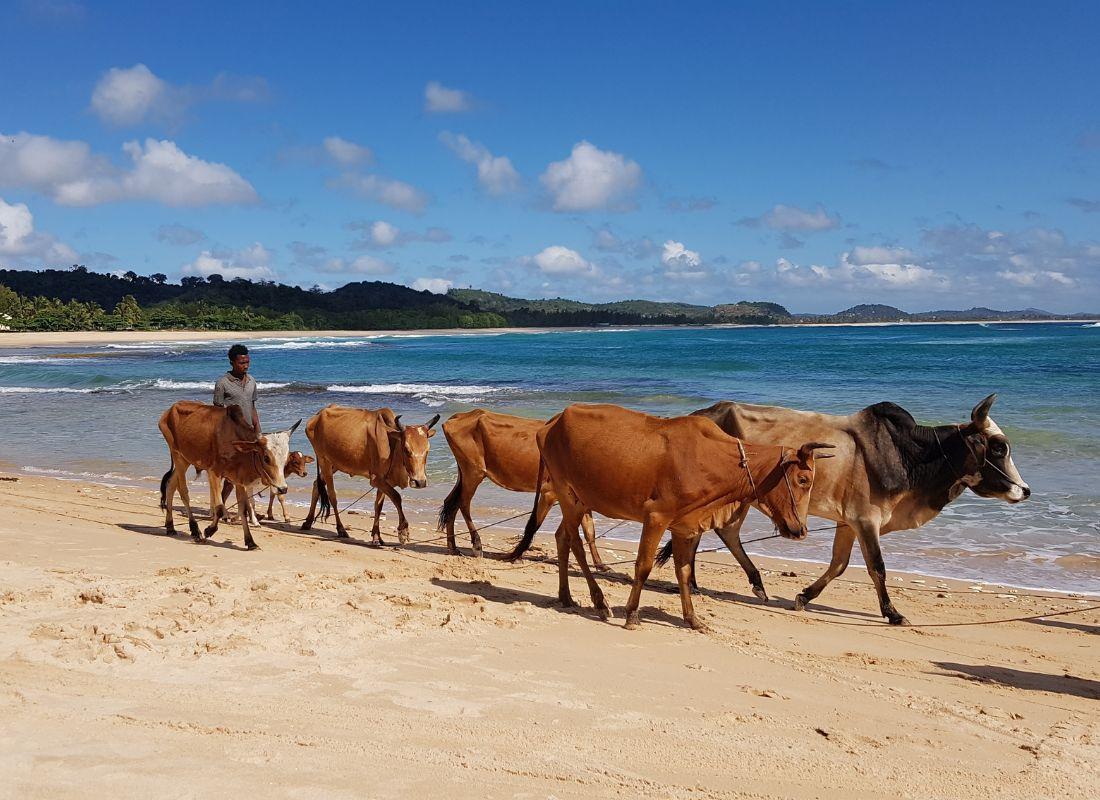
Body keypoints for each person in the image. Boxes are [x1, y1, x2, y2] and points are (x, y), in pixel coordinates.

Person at [213, 343, 261, 433]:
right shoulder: (222, 383)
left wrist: (258, 431)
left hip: (249, 431)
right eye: (242, 363)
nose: (246, 366)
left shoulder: (252, 381)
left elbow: (252, 408)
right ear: (232, 363)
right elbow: (217, 412)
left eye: (247, 362)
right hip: (230, 432)